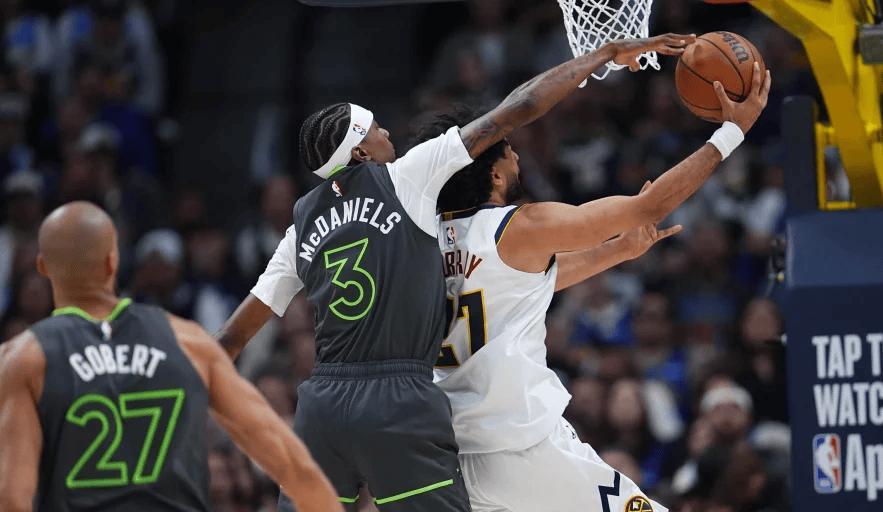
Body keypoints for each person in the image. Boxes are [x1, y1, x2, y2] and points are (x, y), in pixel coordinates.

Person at [217, 33, 697, 511]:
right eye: (377, 129)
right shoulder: (406, 178)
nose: (389, 134)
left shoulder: (300, 226)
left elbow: (233, 338)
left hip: (322, 399)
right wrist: (604, 54)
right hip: (400, 398)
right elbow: (518, 107)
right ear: (361, 153)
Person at [413, 62, 771, 512]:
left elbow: (524, 286)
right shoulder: (519, 226)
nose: (518, 157)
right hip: (523, 448)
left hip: (455, 457)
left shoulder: (423, 242)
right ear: (495, 176)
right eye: (509, 151)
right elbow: (649, 205)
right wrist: (732, 133)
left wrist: (619, 250)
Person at [0, 202, 341, 512]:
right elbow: (292, 465)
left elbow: (12, 497)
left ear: (43, 267)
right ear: (112, 262)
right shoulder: (188, 343)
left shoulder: (23, 359)